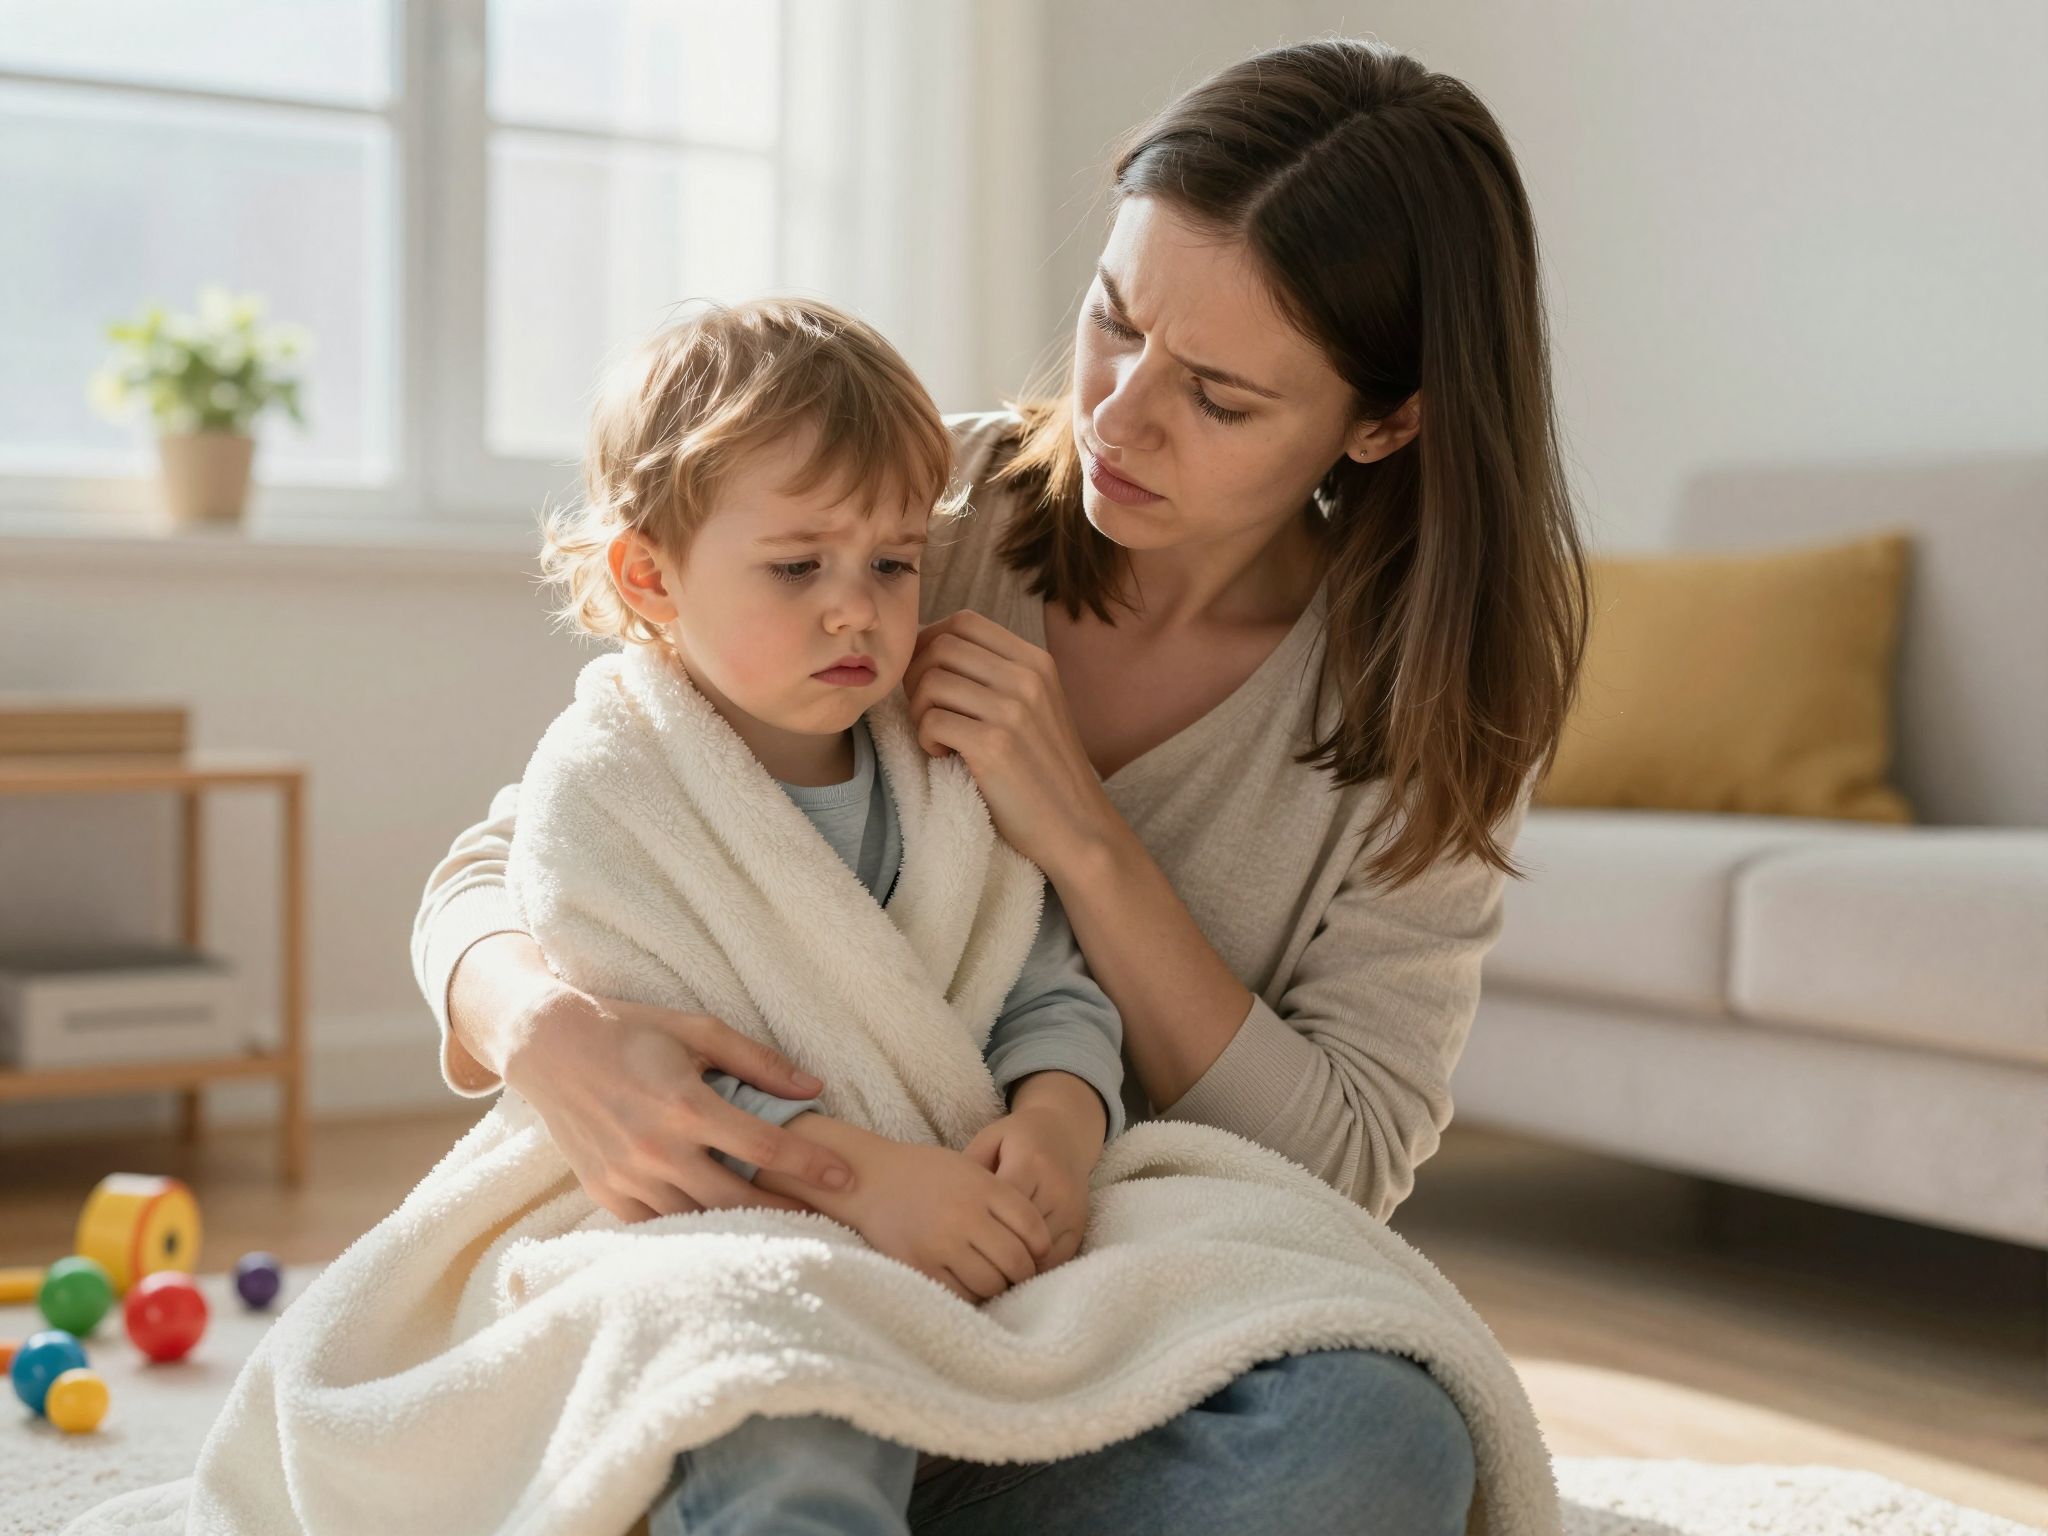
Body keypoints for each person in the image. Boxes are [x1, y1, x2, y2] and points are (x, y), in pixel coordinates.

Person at [412, 35, 1587, 1536]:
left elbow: (1346, 1160)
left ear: (1384, 422)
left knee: (1381, 1442)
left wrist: (1088, 844)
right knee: (756, 1360)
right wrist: (546, 1031)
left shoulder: (1433, 695)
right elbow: (523, 854)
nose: (1119, 415)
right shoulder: (916, 517)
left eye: (1219, 398)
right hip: (782, 1253)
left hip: (1112, 1275)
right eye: (1114, 320)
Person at [520, 294, 1127, 1308]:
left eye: (892, 563)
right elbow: (648, 1080)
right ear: (648, 575)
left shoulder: (939, 774)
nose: (857, 605)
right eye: (798, 566)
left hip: (963, 1204)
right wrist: (862, 1182)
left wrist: (1058, 1125)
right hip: (718, 1217)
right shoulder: (607, 791)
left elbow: (1042, 982)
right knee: (757, 1362)